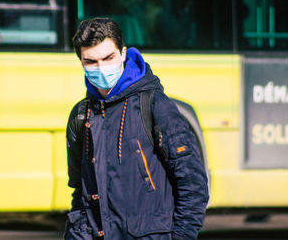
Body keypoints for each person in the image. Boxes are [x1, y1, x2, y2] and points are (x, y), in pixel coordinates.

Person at [65, 17, 209, 240]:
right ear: (81, 62)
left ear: (123, 53)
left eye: (108, 57)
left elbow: (193, 184)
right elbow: (80, 193)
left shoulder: (154, 105)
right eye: (91, 62)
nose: (101, 68)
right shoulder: (81, 115)